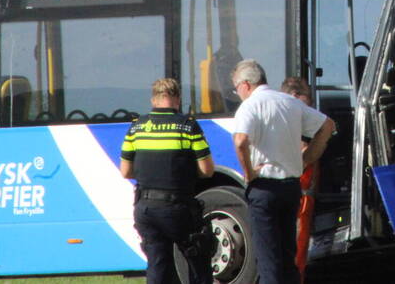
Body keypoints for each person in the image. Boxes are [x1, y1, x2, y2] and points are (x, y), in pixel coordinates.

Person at [231, 61, 335, 284]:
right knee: (288, 257)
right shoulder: (290, 102)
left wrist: (249, 173)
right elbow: (327, 126)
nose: (237, 93)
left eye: (236, 88)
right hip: (291, 188)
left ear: (246, 84)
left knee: (268, 259)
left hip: (264, 188)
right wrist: (307, 158)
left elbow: (240, 141)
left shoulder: (250, 106)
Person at [120, 77, 216, 284]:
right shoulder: (187, 126)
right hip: (177, 207)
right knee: (198, 258)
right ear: (178, 99)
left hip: (145, 209)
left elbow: (126, 171)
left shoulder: (136, 128)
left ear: (153, 100)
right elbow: (207, 170)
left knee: (157, 264)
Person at [279, 77, 319, 284]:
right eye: (306, 103)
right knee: (296, 255)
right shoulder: (295, 126)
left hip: (296, 196)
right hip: (299, 198)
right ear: (294, 97)